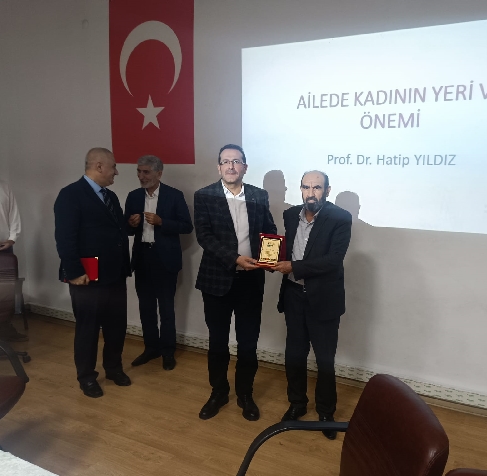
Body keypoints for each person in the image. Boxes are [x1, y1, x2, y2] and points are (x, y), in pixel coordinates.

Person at [194, 144, 276, 421]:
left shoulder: (259, 195)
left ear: (245, 167)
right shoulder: (204, 195)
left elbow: (269, 230)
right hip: (216, 281)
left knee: (248, 343)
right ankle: (218, 392)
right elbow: (204, 237)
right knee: (218, 342)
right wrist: (235, 259)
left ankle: (245, 394)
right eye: (226, 161)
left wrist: (269, 258)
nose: (231, 166)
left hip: (251, 281)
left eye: (236, 161)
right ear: (219, 166)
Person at [272, 170, 352, 440]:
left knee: (324, 359)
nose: (311, 193)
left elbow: (333, 260)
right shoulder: (290, 215)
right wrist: (271, 260)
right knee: (294, 355)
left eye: (317, 188)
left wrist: (293, 266)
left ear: (327, 191)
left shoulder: (340, 217)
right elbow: (288, 249)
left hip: (323, 298)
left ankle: (326, 413)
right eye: (306, 187)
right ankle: (297, 403)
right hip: (294, 295)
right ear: (301, 189)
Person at [54, 148, 132, 398]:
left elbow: (116, 231)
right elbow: (65, 238)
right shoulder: (70, 195)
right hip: (87, 276)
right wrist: (75, 271)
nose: (116, 172)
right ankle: (86, 377)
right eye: (113, 166)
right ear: (99, 166)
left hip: (115, 274)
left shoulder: (111, 196)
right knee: (88, 329)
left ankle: (114, 368)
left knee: (116, 327)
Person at [125, 155, 193, 371]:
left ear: (159, 173)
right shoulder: (133, 196)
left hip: (165, 259)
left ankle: (168, 351)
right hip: (142, 258)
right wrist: (130, 223)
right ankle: (151, 348)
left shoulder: (174, 196)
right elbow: (126, 230)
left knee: (166, 308)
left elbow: (187, 226)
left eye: (146, 172)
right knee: (146, 307)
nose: (141, 176)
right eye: (139, 171)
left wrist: (162, 222)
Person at [0, 177, 27, 342]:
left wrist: (12, 238)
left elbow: (13, 213)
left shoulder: (3, 186)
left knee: (6, 292)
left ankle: (6, 329)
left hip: (3, 247)